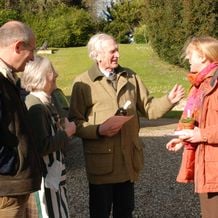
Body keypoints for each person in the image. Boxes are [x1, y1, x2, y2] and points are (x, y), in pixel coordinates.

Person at [68, 33, 185, 218]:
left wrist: (169, 100)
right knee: (100, 212)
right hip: (101, 165)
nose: (117, 55)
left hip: (127, 161)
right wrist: (98, 130)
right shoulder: (82, 83)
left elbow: (149, 108)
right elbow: (74, 122)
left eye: (118, 50)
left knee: (125, 212)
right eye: (112, 51)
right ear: (97, 55)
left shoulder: (131, 77)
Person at [166, 36, 218, 218]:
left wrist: (201, 135)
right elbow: (196, 118)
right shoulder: (200, 85)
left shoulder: (215, 84)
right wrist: (183, 137)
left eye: (190, 54)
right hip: (208, 166)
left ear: (203, 56)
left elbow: (204, 129)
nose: (187, 58)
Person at [21, 55, 76, 218]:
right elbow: (41, 146)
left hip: (53, 176)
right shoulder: (36, 106)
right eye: (52, 71)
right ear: (42, 77)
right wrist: (67, 132)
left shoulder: (43, 103)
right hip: (45, 180)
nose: (56, 74)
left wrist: (61, 130)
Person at [0, 20, 42, 218]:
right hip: (6, 192)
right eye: (31, 50)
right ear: (18, 46)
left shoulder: (7, 78)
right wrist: (12, 166)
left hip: (13, 188)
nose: (33, 58)